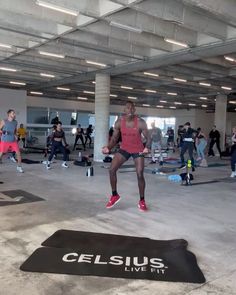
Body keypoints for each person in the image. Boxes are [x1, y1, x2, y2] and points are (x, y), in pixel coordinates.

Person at [102, 101, 150, 211]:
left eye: (132, 108)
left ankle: (142, 201)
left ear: (134, 110)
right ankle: (114, 195)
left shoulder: (141, 122)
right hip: (124, 148)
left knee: (139, 173)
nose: (130, 110)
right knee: (111, 170)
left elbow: (149, 138)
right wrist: (108, 147)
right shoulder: (119, 122)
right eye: (128, 108)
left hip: (138, 150)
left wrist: (147, 147)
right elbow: (114, 139)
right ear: (124, 110)